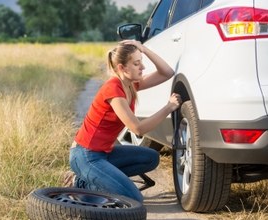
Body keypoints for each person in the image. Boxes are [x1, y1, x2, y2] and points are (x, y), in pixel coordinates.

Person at [66, 39, 182, 203]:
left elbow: (167, 73)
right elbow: (138, 129)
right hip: (86, 155)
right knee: (134, 199)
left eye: (141, 62)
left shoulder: (130, 85)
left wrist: (144, 49)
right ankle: (83, 181)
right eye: (136, 64)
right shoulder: (113, 88)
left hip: (103, 154)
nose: (142, 67)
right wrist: (168, 108)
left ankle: (86, 180)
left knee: (151, 157)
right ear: (122, 68)